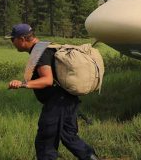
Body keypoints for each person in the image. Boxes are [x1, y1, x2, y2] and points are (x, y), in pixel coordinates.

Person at [6, 24, 99, 160]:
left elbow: (47, 80)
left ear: (22, 39)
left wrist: (23, 84)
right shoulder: (45, 46)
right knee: (69, 137)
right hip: (68, 99)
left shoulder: (40, 52)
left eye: (12, 39)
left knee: (45, 143)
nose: (12, 43)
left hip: (57, 102)